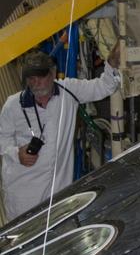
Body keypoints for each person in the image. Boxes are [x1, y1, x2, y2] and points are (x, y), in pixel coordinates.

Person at [0, 44, 121, 221]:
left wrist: (113, 61)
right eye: (31, 78)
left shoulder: (68, 91)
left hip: (57, 194)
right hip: (23, 194)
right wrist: (17, 153)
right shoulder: (13, 105)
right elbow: (2, 140)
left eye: (41, 77)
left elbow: (104, 86)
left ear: (53, 73)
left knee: (58, 231)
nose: (35, 83)